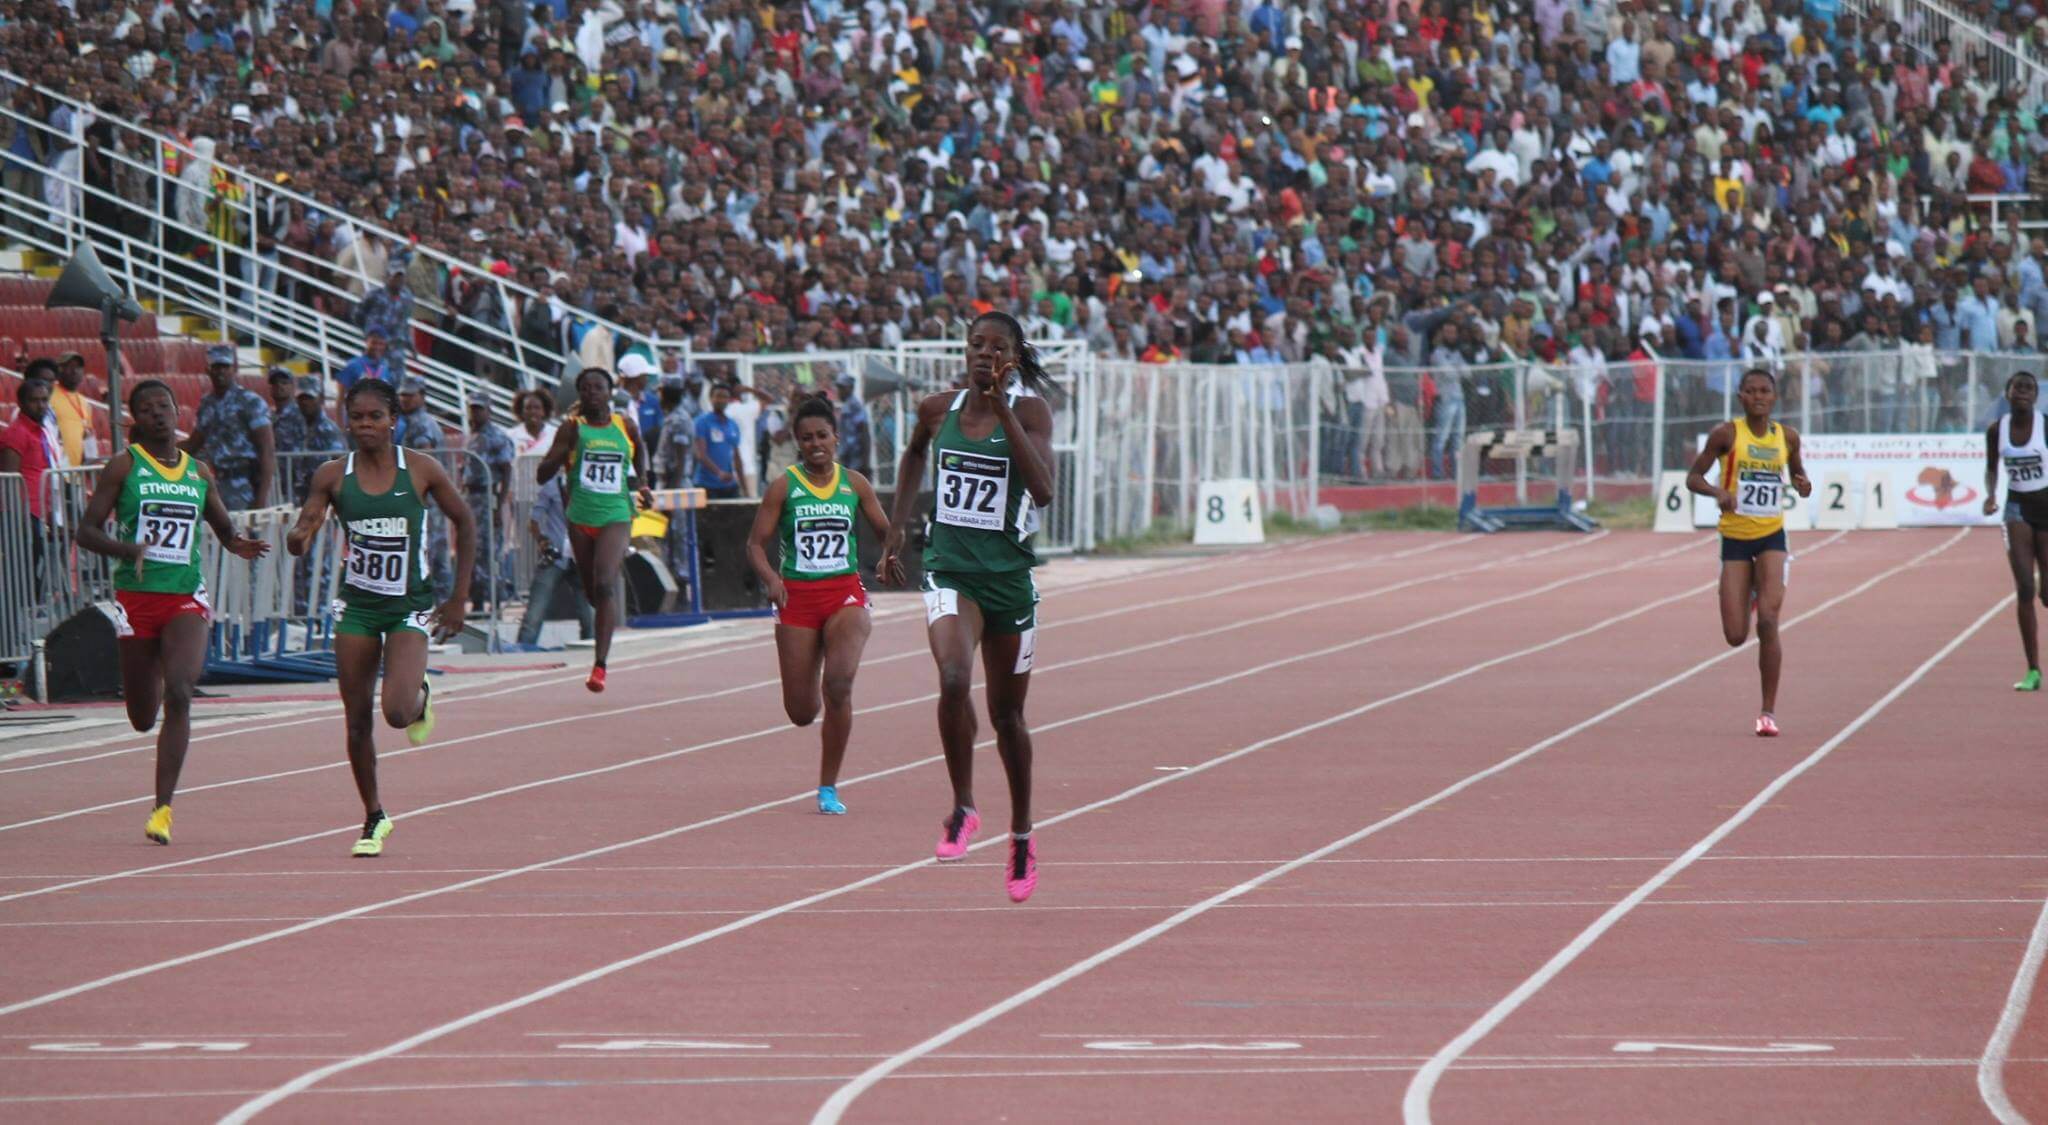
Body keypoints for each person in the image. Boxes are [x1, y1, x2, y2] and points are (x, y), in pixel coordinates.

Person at [878, 311, 1056, 903]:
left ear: (1012, 357)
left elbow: (1045, 492)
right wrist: (896, 528)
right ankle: (961, 806)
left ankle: (1023, 835)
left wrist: (1003, 409)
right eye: (976, 345)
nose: (984, 355)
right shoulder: (938, 410)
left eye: (997, 348)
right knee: (954, 677)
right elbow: (911, 457)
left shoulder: (1029, 413)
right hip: (951, 572)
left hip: (1009, 580)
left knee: (1008, 718)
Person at [285, 378, 475, 858]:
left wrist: (458, 599)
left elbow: (466, 521)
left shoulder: (422, 469)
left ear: (394, 420)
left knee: (395, 712)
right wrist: (299, 535)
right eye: (357, 417)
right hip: (358, 608)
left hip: (408, 605)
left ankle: (419, 695)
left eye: (375, 417)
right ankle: (373, 815)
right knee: (355, 720)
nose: (365, 426)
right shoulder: (333, 475)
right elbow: (309, 517)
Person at [74, 380, 270, 844]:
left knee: (180, 692)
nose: (158, 413)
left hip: (185, 597)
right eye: (147, 408)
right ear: (134, 420)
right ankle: (155, 663)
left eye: (164, 405)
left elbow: (221, 526)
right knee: (143, 717)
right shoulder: (124, 466)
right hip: (137, 600)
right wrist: (127, 547)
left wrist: (236, 543)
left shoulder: (198, 471)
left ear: (177, 412)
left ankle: (162, 809)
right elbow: (85, 532)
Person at [746, 394, 893, 815]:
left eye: (822, 436)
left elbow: (886, 530)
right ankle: (812, 713)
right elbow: (755, 543)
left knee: (840, 685)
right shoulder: (784, 486)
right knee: (802, 711)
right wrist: (772, 579)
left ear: (836, 438)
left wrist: (890, 553)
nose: (816, 444)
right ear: (797, 442)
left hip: (844, 593)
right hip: (797, 598)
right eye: (807, 438)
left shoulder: (855, 484)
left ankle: (828, 787)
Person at [1686, 368, 1813, 737]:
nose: (1759, 397)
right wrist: (1718, 494)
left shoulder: (1787, 437)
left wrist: (1803, 484)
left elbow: (1798, 476)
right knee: (1736, 635)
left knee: (1769, 622)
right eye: (1752, 391)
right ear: (1741, 397)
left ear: (1774, 398)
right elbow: (1693, 478)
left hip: (1772, 535)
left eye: (1765, 391)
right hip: (1735, 539)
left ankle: (1767, 713)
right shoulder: (1726, 434)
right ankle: (1748, 591)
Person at [535, 366, 653, 692]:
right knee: (592, 590)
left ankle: (599, 666)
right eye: (585, 388)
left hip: (616, 514)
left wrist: (641, 483)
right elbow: (544, 473)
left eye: (597, 387)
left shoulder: (624, 425)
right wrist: (554, 461)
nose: (591, 393)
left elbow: (640, 448)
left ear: (609, 391)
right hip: (580, 518)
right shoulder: (572, 429)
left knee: (604, 584)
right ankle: (603, 611)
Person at [1982, 371, 2048, 691]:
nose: (2022, 392)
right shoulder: (1997, 431)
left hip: (2047, 508)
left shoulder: (2045, 425)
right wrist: (1990, 494)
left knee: (2046, 594)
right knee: (2024, 587)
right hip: (2017, 509)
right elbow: (1992, 469)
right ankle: (2033, 669)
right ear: (2007, 393)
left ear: (2035, 396)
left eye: (2028, 388)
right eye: (2017, 387)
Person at [181, 344, 275, 509]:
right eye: (216, 366)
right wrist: (155, 451)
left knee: (242, 534)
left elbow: (266, 450)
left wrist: (261, 497)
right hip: (216, 482)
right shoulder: (207, 404)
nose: (220, 371)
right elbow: (194, 444)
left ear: (234, 368)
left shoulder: (250, 402)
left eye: (225, 366)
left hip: (245, 484)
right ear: (207, 370)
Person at [517, 474, 594, 647]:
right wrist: (542, 541)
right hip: (556, 556)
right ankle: (521, 651)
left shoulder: (592, 485)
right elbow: (534, 520)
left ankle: (590, 654)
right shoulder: (552, 486)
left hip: (582, 557)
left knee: (589, 615)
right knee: (534, 613)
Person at [692, 381, 747, 499]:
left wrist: (745, 489)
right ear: (711, 398)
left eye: (725, 397)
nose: (721, 400)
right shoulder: (701, 422)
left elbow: (737, 457)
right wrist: (719, 473)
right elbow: (701, 454)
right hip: (706, 484)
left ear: (729, 399)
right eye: (718, 396)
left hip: (729, 485)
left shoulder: (732, 424)